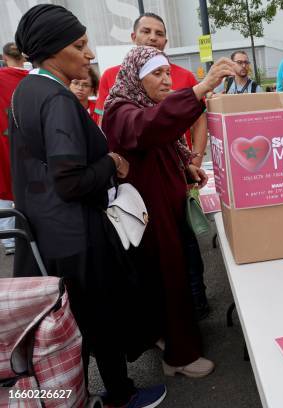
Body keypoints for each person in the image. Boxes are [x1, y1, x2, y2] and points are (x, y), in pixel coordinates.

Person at [10, 5, 166, 407]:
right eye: (79, 45)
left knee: (66, 327)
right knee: (100, 320)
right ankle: (121, 395)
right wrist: (110, 163)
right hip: (78, 235)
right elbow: (70, 180)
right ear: (52, 49)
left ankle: (70, 397)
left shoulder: (24, 92)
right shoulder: (57, 99)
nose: (91, 54)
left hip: (45, 232)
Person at [102, 46, 239, 377]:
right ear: (136, 77)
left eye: (167, 73)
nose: (166, 81)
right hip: (150, 215)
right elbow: (149, 127)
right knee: (169, 278)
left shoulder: (142, 105)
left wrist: (187, 168)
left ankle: (166, 338)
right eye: (157, 74)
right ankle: (180, 358)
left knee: (163, 280)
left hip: (162, 208)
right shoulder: (122, 110)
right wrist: (202, 88)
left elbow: (160, 138)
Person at [95, 12, 206, 165]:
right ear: (134, 37)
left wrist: (195, 162)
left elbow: (199, 122)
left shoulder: (186, 76)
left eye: (159, 33)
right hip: (135, 166)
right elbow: (104, 125)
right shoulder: (111, 75)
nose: (153, 37)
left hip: (176, 163)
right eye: (146, 31)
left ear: (165, 42)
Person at [0, 42, 28, 256]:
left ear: (4, 56)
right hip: (26, 139)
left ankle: (10, 239)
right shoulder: (33, 77)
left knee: (4, 184)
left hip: (3, 139)